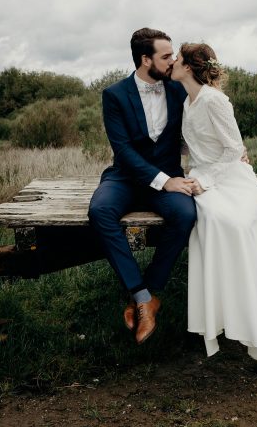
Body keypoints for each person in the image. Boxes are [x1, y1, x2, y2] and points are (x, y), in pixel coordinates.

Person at [170, 42, 257, 361]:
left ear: (187, 67)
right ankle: (220, 312)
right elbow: (194, 145)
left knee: (235, 224)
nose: (172, 62)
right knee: (212, 220)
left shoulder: (215, 100)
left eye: (177, 58)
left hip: (230, 179)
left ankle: (251, 316)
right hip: (201, 174)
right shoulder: (187, 102)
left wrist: (206, 180)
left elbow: (233, 148)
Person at [88, 28, 197, 345]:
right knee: (99, 211)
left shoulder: (178, 89)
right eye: (166, 56)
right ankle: (141, 294)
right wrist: (166, 181)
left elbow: (204, 120)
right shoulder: (115, 95)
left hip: (167, 178)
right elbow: (123, 150)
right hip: (124, 177)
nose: (173, 60)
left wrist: (233, 151)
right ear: (145, 59)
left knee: (185, 215)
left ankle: (149, 293)